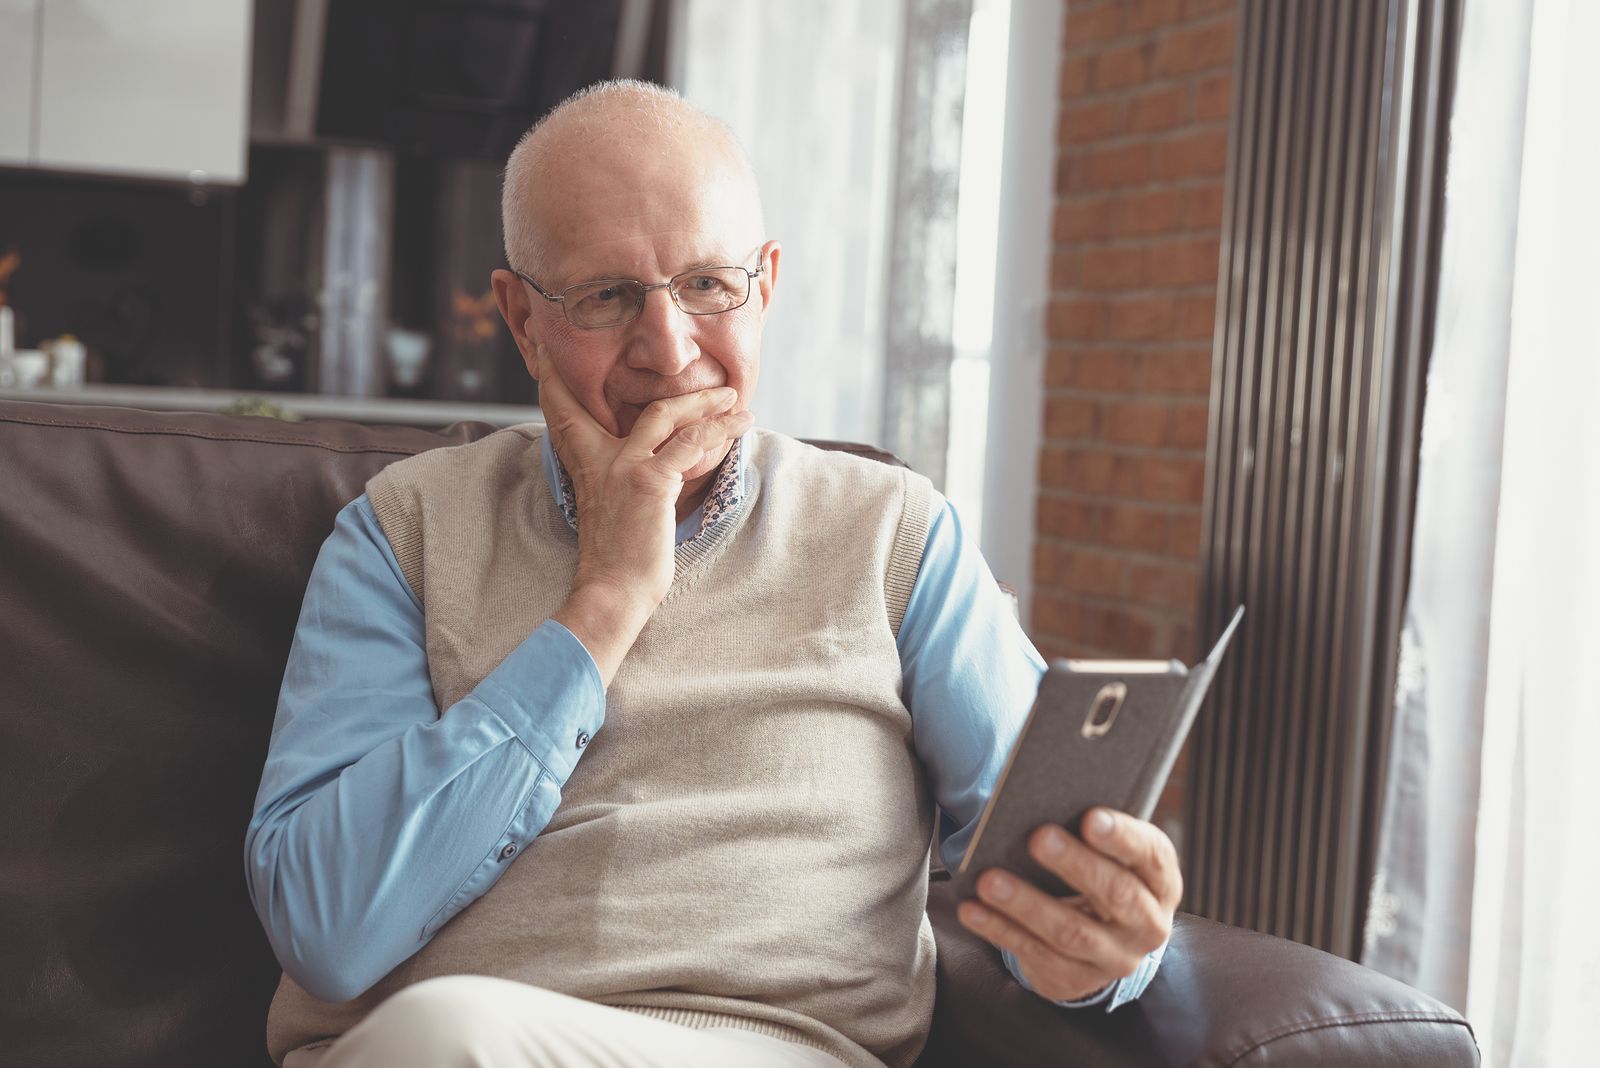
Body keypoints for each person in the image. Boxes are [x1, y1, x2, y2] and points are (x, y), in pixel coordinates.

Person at [244, 80, 1181, 1068]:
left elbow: (1050, 871)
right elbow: (329, 929)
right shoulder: (402, 531)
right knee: (449, 1040)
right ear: (521, 320)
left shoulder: (895, 534)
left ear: (764, 285)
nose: (671, 348)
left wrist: (1105, 945)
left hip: (776, 1053)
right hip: (453, 1052)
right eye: (607, 297)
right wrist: (603, 605)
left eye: (708, 285)